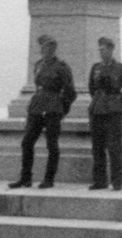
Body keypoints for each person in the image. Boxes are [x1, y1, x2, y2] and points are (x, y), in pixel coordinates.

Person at [10, 35, 76, 190]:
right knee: (27, 142)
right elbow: (38, 85)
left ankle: (49, 179)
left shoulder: (62, 67)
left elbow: (70, 92)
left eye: (48, 47)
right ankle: (25, 178)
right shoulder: (38, 65)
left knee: (51, 144)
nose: (45, 50)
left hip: (53, 108)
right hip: (37, 107)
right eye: (43, 47)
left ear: (53, 49)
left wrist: (61, 109)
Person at [87, 37, 122, 191]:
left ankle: (117, 181)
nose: (101, 52)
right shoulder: (96, 68)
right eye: (100, 50)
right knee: (97, 146)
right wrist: (98, 102)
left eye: (104, 50)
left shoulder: (121, 69)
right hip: (97, 110)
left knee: (114, 147)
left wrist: (120, 105)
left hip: (113, 112)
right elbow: (92, 88)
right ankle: (100, 181)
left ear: (111, 50)